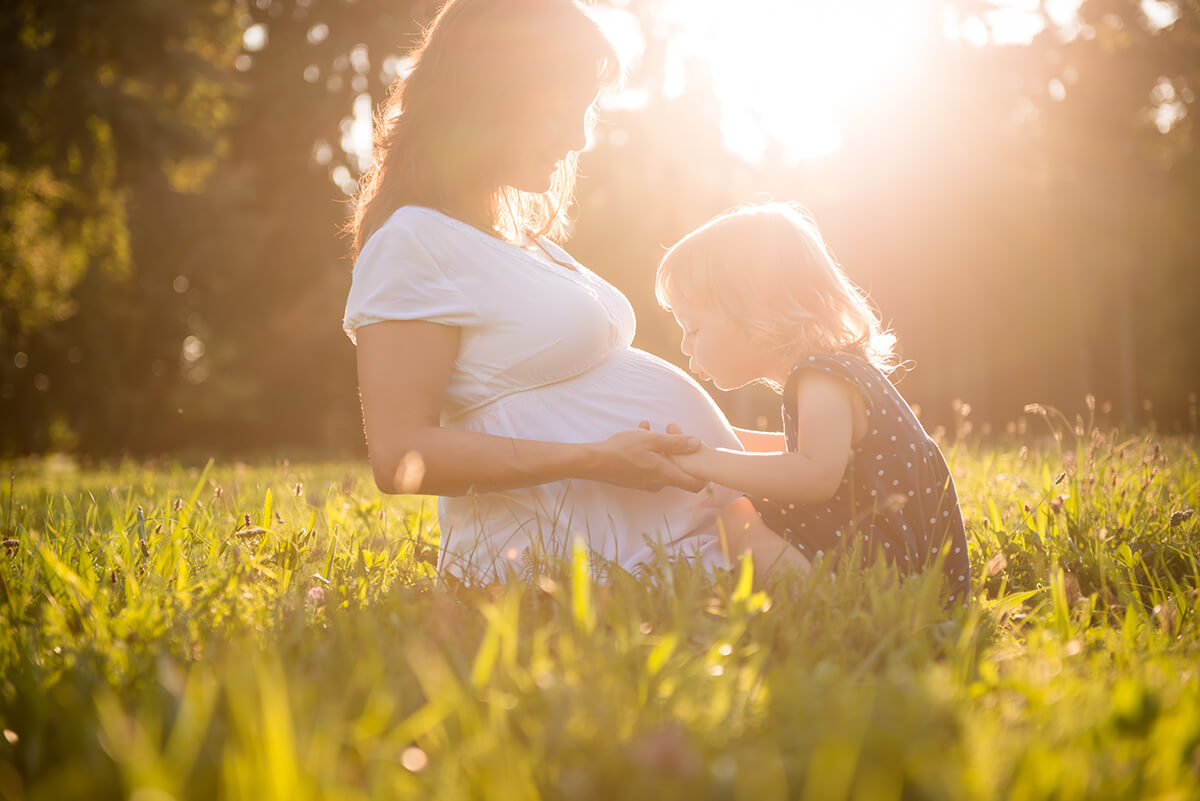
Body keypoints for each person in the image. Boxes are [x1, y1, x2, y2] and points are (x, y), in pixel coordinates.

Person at [343, 0, 744, 579]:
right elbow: (400, 455)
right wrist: (596, 460)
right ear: (490, 99)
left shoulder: (520, 241)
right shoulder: (413, 240)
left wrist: (788, 448)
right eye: (561, 114)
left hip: (672, 549)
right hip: (559, 570)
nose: (580, 139)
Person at [654, 202, 971, 605]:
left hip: (884, 572)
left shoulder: (820, 376)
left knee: (735, 515)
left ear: (751, 313)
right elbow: (812, 454)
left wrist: (705, 462)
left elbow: (816, 472)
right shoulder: (834, 369)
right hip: (898, 559)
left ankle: (821, 604)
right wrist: (721, 438)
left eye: (693, 328)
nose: (685, 345)